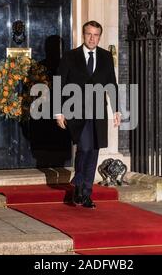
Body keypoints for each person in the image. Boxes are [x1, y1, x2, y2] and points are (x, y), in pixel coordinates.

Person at [55, 21, 121, 209]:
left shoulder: (106, 57)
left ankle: (85, 193)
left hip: (98, 111)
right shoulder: (70, 57)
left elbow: (112, 85)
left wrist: (116, 110)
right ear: (83, 35)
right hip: (76, 110)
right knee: (84, 147)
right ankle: (78, 183)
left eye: (96, 35)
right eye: (89, 34)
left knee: (94, 151)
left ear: (100, 36)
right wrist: (58, 112)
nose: (92, 38)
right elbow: (59, 83)